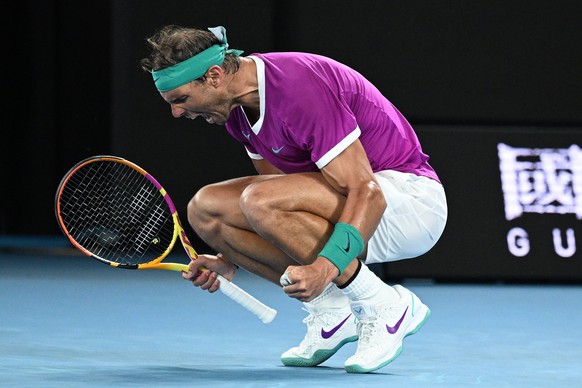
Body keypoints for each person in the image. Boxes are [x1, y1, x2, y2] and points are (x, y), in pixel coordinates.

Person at [140, 25, 447, 373]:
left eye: (180, 100)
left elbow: (367, 191)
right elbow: (283, 192)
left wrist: (325, 267)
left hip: (409, 202)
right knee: (207, 209)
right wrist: (231, 258)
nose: (177, 113)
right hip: (352, 204)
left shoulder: (299, 88)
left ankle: (383, 304)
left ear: (213, 77)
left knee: (259, 199)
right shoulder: (238, 113)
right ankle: (332, 310)